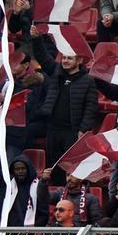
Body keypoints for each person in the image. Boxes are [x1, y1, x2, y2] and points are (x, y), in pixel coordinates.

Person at [31, 27, 97, 173]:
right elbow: (42, 56)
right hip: (53, 130)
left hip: (72, 132)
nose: (65, 61)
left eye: (69, 58)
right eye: (64, 58)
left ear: (79, 60)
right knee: (53, 169)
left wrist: (83, 129)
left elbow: (90, 107)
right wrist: (36, 39)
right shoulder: (56, 71)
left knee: (71, 170)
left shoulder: (88, 80)